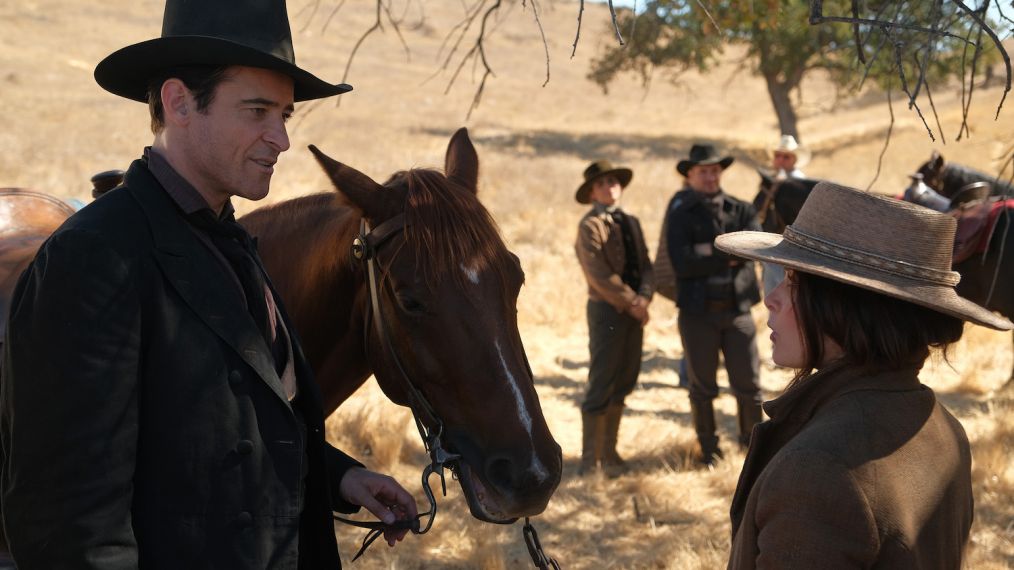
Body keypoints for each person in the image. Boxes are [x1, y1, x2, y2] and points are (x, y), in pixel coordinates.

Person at [0, 1, 418, 568]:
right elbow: (70, 519)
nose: (281, 139)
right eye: (256, 111)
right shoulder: (96, 257)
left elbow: (222, 431)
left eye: (285, 117)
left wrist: (341, 477)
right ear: (178, 103)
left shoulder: (230, 239)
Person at [716, 181, 1012, 568]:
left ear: (842, 305)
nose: (771, 299)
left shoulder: (817, 469)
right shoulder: (943, 426)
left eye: (792, 281)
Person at [665, 144, 763, 467]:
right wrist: (728, 255)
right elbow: (682, 263)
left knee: (748, 385)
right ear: (690, 175)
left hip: (737, 311)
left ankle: (752, 445)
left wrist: (707, 251)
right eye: (703, 171)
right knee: (702, 387)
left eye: (715, 170)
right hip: (698, 314)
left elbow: (754, 251)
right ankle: (709, 451)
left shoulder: (742, 209)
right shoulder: (680, 212)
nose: (710, 176)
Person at [574, 160, 654, 475]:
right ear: (592, 191)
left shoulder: (631, 220)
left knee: (625, 375)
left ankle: (609, 453)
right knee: (602, 377)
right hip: (607, 309)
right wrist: (631, 300)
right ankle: (588, 459)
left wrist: (645, 296)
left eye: (614, 182)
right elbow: (598, 274)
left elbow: (646, 263)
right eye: (603, 183)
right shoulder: (589, 225)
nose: (611, 187)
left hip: (636, 309)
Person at [760, 134, 810, 295]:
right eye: (777, 156)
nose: (780, 160)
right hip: (772, 243)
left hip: (793, 247)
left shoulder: (802, 184)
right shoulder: (772, 181)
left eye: (786, 156)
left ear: (794, 159)